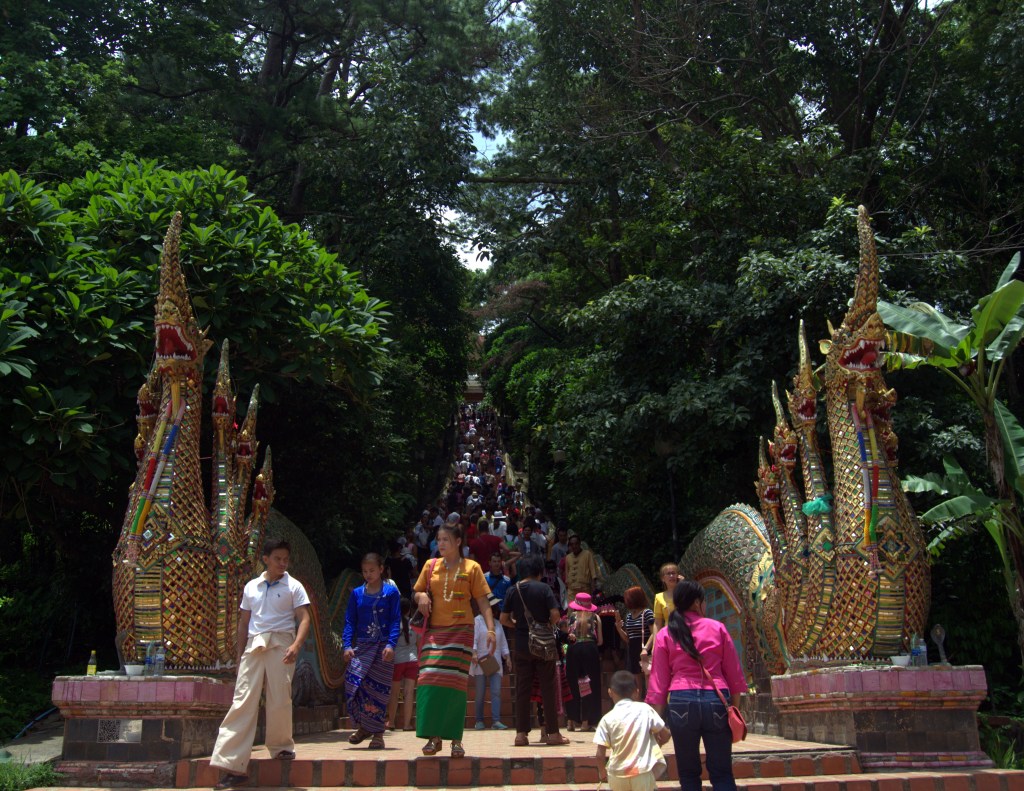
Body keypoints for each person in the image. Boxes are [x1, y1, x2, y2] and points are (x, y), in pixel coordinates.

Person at [210, 538, 311, 790]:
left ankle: (281, 747)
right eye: (277, 558)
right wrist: (239, 655)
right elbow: (244, 623)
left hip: (282, 644)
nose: (282, 563)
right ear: (265, 559)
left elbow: (304, 618)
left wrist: (296, 645)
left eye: (285, 559)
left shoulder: (294, 586)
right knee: (242, 701)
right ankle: (232, 764)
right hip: (253, 646)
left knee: (280, 697)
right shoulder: (251, 587)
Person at [645, 581, 746, 791]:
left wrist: (657, 722)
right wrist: (733, 709)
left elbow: (659, 683)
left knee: (688, 773)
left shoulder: (665, 633)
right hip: (716, 700)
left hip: (681, 700)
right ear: (698, 603)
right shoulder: (717, 628)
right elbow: (734, 675)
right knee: (722, 773)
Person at [413, 520, 496, 758]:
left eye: (446, 540)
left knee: (456, 684)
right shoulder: (430, 565)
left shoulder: (472, 567)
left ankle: (456, 740)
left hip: (462, 631)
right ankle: (433, 736)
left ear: (458, 542)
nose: (441, 544)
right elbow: (417, 590)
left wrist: (491, 630)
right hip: (435, 632)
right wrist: (420, 597)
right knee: (427, 678)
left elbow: (483, 601)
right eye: (438, 540)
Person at [500, 553, 570, 747]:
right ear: (539, 571)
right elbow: (555, 615)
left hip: (522, 645)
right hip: (544, 645)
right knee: (548, 688)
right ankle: (553, 733)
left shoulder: (513, 590)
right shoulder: (544, 588)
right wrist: (544, 625)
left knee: (522, 689)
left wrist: (520, 626)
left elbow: (504, 619)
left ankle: (521, 734)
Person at [343, 553, 401, 749]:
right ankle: (364, 727)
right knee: (354, 684)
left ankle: (377, 734)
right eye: (365, 571)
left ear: (381, 569)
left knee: (379, 691)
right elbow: (350, 621)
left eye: (372, 570)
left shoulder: (391, 593)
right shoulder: (356, 594)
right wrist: (347, 645)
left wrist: (391, 644)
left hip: (383, 649)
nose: (368, 574)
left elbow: (395, 620)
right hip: (363, 647)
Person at [595, 671, 671, 791]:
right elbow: (665, 734)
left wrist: (602, 773)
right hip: (641, 773)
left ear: (610, 692)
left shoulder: (606, 719)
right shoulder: (645, 710)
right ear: (637, 692)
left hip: (616, 775)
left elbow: (599, 754)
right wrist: (658, 744)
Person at [471, 592, 512, 730]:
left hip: (495, 661)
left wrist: (507, 656)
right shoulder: (477, 621)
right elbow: (473, 639)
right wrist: (474, 652)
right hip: (480, 661)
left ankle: (496, 720)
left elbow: (503, 642)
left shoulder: (498, 624)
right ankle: (479, 720)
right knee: (480, 693)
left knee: (496, 692)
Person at [565, 591, 604, 731]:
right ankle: (587, 722)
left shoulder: (570, 617)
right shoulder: (596, 617)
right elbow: (600, 641)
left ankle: (570, 721)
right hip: (590, 650)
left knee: (572, 684)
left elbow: (567, 636)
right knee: (589, 684)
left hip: (573, 649)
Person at [615, 586, 655, 694]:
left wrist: (646, 648)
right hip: (633, 650)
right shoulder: (629, 616)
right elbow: (628, 638)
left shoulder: (647, 613)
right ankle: (639, 699)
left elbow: (654, 633)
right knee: (637, 685)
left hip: (645, 650)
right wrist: (619, 628)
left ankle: (649, 700)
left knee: (648, 678)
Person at [387, 598, 418, 731]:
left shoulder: (393, 624)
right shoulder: (414, 624)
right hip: (412, 660)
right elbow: (418, 642)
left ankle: (391, 722)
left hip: (397, 661)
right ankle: (407, 725)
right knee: (409, 693)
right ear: (409, 610)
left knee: (394, 693)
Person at [563, 534, 602, 599]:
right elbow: (567, 573)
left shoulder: (587, 554)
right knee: (571, 606)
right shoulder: (568, 557)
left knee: (584, 605)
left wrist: (593, 589)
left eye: (576, 544)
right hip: (571, 591)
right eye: (572, 544)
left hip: (584, 589)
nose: (574, 546)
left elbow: (593, 574)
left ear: (579, 543)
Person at [653, 564, 682, 633]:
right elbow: (657, 623)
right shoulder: (659, 597)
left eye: (673, 573)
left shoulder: (685, 592)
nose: (671, 576)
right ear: (663, 578)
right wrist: (656, 639)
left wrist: (683, 585)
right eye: (668, 574)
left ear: (678, 576)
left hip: (686, 632)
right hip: (669, 633)